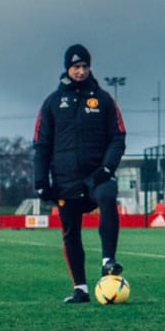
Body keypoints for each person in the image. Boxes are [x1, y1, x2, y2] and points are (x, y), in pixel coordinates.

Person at [32, 44, 128, 304]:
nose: (81, 71)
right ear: (68, 69)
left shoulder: (104, 99)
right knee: (70, 233)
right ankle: (81, 288)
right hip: (66, 181)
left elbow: (118, 137)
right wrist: (41, 181)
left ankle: (109, 259)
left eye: (85, 66)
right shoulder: (52, 103)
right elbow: (41, 143)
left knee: (108, 196)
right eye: (76, 67)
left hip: (97, 176)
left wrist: (106, 168)